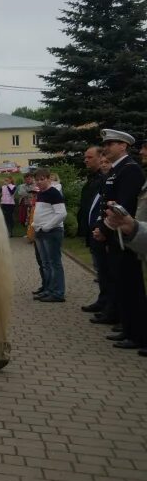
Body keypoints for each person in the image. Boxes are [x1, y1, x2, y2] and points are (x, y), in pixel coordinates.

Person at [94, 129, 147, 350]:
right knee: (122, 285)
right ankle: (128, 329)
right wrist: (101, 228)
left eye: (111, 143)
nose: (106, 147)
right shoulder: (118, 170)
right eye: (105, 144)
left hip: (126, 236)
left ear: (123, 146)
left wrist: (104, 230)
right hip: (117, 236)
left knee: (131, 287)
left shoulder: (130, 170)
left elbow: (123, 206)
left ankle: (138, 334)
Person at [78, 146, 110, 316]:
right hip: (92, 231)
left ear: (100, 157)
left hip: (102, 231)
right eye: (85, 157)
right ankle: (103, 301)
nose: (86, 160)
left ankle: (109, 305)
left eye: (89, 157)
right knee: (100, 270)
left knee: (105, 270)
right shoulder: (94, 178)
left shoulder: (104, 179)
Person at [31, 168, 67, 303]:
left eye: (42, 179)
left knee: (54, 263)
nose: (39, 182)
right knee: (45, 263)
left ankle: (58, 292)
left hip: (51, 232)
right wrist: (36, 223)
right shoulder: (41, 193)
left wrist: (47, 226)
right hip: (40, 231)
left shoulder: (54, 193)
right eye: (37, 180)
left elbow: (62, 213)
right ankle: (48, 289)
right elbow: (42, 211)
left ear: (49, 179)